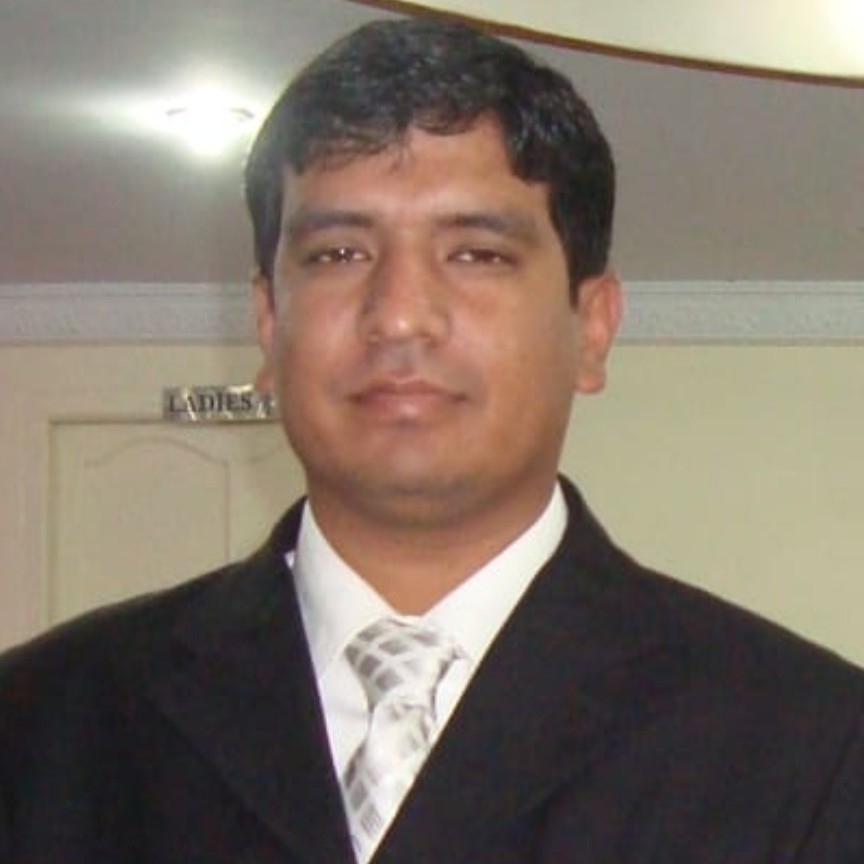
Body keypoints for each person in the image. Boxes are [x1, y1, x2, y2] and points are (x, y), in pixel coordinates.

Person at [1, 16, 863, 864]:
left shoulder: (808, 744)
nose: (401, 315)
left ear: (592, 328)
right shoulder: (42, 723)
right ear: (268, 322)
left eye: (477, 254)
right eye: (339, 254)